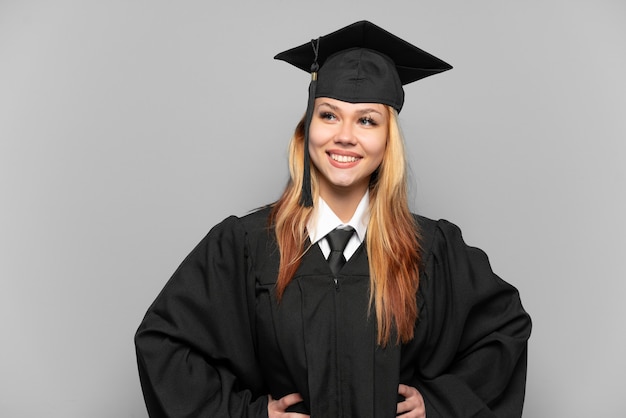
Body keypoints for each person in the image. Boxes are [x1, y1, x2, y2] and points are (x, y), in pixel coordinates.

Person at [135, 21, 531, 418]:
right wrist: (248, 415)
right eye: (329, 115)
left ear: (387, 140)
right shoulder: (246, 247)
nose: (345, 136)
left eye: (367, 120)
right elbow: (163, 344)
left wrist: (439, 405)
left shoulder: (431, 250)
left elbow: (504, 333)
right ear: (307, 129)